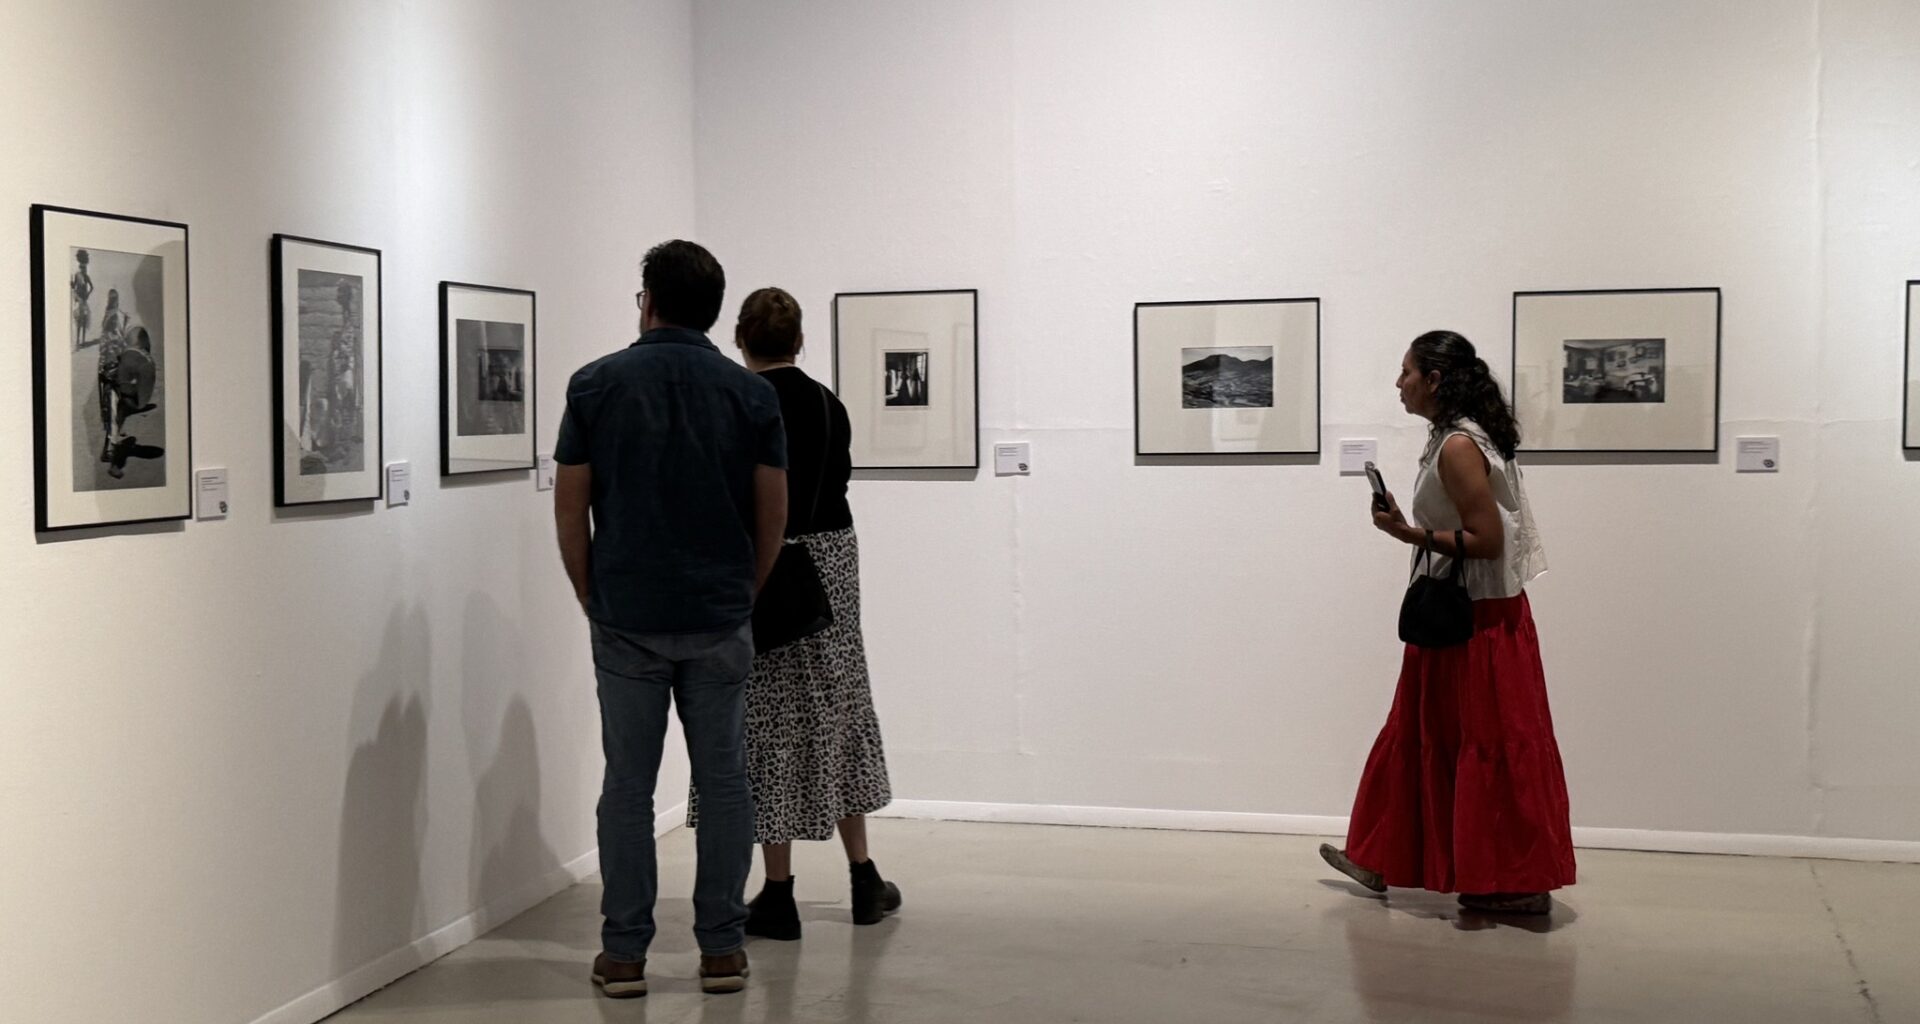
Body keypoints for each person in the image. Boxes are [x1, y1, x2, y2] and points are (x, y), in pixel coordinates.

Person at [553, 240, 788, 998]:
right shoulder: (753, 397)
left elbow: (571, 506)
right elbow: (772, 515)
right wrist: (741, 591)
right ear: (716, 310)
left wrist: (592, 593)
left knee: (628, 784)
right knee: (723, 782)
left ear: (647, 300)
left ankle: (624, 954)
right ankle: (721, 949)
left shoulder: (595, 386)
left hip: (627, 614)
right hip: (719, 613)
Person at [1320, 330, 1575, 916]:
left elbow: (1486, 542)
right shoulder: (1457, 437)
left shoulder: (1459, 445)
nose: (1398, 383)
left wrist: (1408, 533)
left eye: (1406, 371)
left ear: (1435, 380)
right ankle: (1385, 855)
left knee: (1477, 742)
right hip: (1466, 617)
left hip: (1475, 623)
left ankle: (1509, 881)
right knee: (1426, 733)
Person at [686, 287, 900, 942]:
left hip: (764, 566)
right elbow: (838, 481)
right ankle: (864, 877)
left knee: (768, 722)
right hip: (831, 564)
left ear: (741, 340)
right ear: (799, 340)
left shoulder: (738, 402)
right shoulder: (829, 405)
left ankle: (777, 890)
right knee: (839, 710)